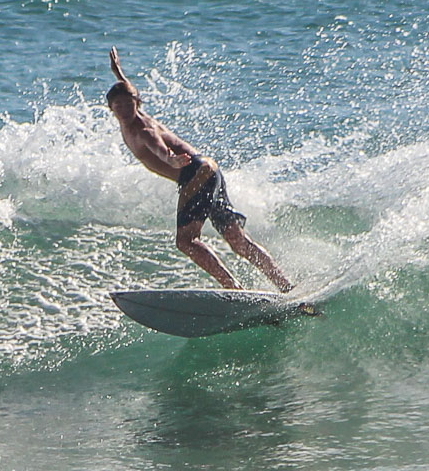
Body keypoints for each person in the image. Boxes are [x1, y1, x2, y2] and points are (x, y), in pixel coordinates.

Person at [106, 47, 292, 292]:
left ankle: (233, 288)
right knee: (237, 240)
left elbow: (159, 148)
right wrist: (119, 72)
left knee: (185, 241)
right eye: (117, 105)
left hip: (194, 173)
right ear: (110, 107)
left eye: (128, 104)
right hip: (209, 170)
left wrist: (172, 160)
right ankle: (286, 285)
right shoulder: (131, 115)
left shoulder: (142, 129)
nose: (123, 109)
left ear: (137, 103)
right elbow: (126, 89)